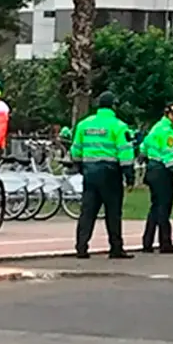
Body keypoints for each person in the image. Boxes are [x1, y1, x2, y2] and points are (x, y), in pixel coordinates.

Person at [71, 91, 135, 259]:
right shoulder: (119, 126)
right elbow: (125, 152)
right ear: (113, 106)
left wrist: (80, 166)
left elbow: (76, 149)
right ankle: (116, 248)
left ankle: (81, 247)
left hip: (90, 172)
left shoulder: (84, 124)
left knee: (88, 211)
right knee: (113, 212)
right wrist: (129, 175)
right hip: (110, 173)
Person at [141, 104, 173, 254]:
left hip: (152, 168)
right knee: (164, 207)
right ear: (169, 115)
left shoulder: (156, 128)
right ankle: (165, 242)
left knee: (155, 206)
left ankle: (147, 242)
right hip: (163, 171)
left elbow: (143, 147)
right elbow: (169, 155)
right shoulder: (168, 133)